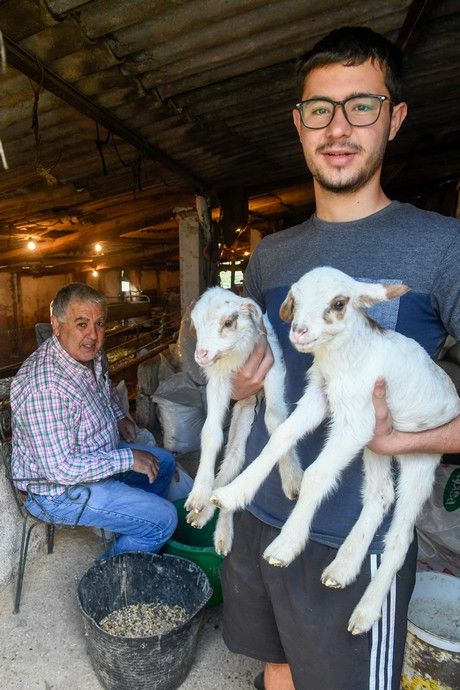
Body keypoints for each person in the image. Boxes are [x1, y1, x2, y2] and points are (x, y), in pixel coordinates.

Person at [220, 26, 460, 690]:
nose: (339, 127)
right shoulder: (273, 255)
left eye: (362, 105)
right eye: (320, 109)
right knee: (277, 666)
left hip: (358, 535)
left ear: (395, 118)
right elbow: (239, 360)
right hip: (261, 516)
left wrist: (412, 436)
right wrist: (230, 380)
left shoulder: (442, 247)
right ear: (299, 124)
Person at [11, 282, 184, 558]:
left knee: (163, 464)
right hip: (59, 491)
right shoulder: (45, 386)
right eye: (81, 324)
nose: (93, 335)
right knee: (164, 520)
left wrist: (118, 416)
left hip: (96, 455)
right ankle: (108, 583)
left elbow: (103, 393)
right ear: (56, 325)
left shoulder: (92, 356)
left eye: (100, 323)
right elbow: (60, 470)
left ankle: (130, 523)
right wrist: (128, 460)